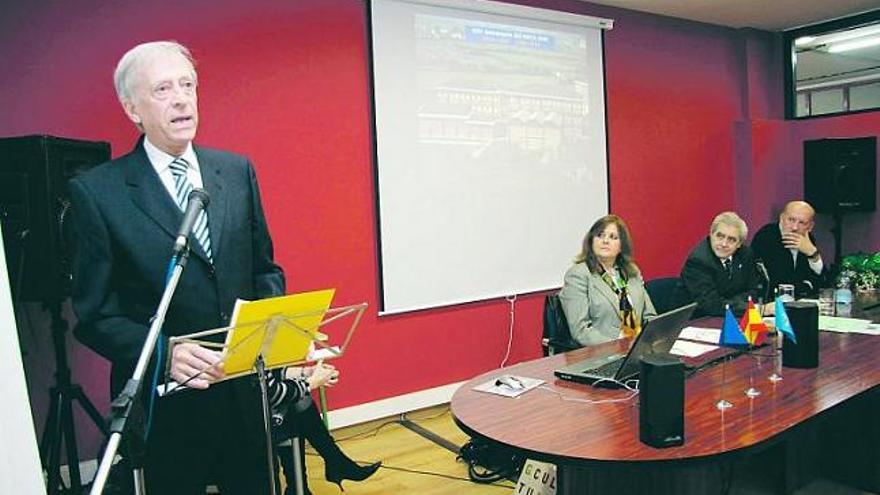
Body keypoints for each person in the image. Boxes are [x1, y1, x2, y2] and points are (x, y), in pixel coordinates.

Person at [68, 41, 377, 494]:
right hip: (170, 407)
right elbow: (95, 317)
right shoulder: (98, 193)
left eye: (187, 85)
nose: (181, 98)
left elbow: (265, 269)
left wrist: (274, 327)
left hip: (244, 396)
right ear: (132, 108)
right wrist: (165, 354)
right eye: (162, 89)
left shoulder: (235, 172)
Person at [559, 215, 657, 346]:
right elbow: (581, 331)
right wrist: (619, 346)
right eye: (600, 235)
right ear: (591, 241)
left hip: (638, 348)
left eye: (613, 237)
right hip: (604, 354)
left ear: (621, 245)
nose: (605, 241)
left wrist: (653, 339)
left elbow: (649, 316)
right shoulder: (579, 275)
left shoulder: (632, 271)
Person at [679, 211, 763, 317]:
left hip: (728, 316)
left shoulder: (745, 254)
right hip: (695, 321)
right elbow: (712, 306)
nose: (724, 244)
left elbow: (754, 291)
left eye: (731, 239)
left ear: (739, 244)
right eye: (720, 236)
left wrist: (729, 302)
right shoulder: (698, 261)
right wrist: (753, 308)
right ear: (711, 234)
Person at [751, 200, 828, 298]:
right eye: (791, 220)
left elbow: (821, 281)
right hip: (771, 303)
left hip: (799, 303)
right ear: (782, 218)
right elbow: (777, 283)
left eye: (802, 223)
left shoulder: (807, 239)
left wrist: (813, 253)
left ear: (810, 226)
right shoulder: (766, 236)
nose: (795, 227)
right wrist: (805, 286)